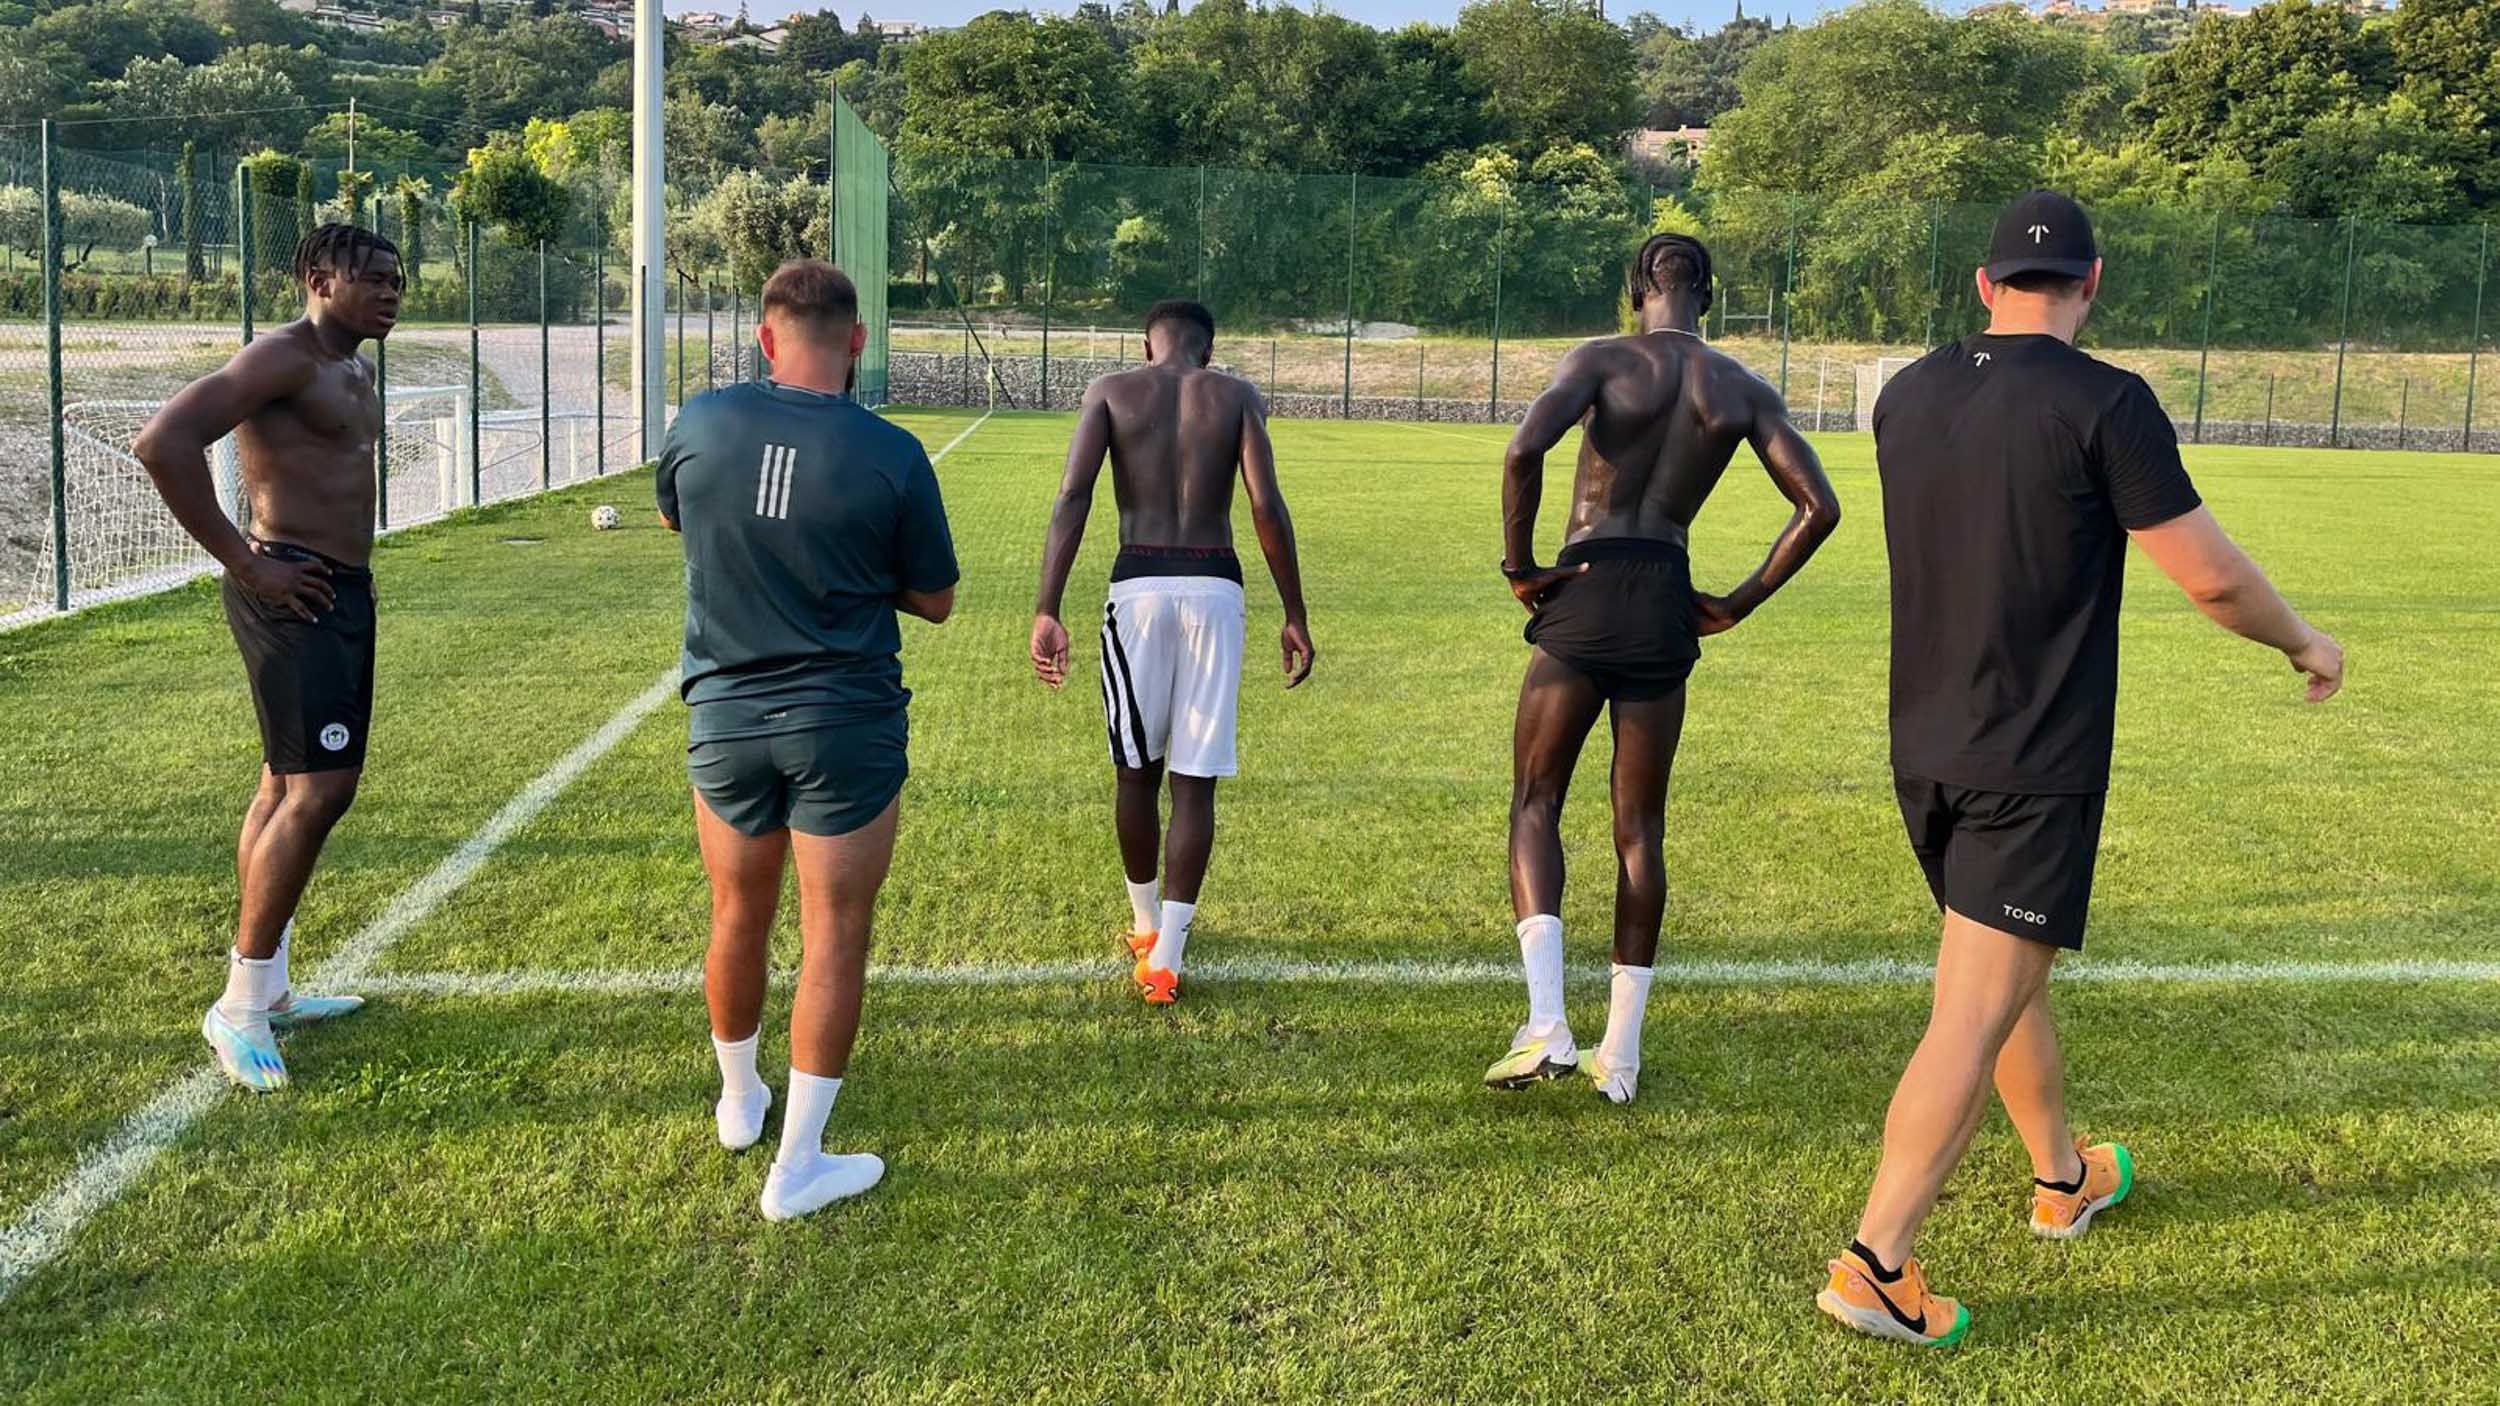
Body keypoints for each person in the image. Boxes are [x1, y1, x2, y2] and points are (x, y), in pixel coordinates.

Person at [1817, 192, 2346, 1347]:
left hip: (1928, 746)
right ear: (2094, 281)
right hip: (2033, 756)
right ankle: (1877, 1261)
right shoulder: (2107, 400)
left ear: (1982, 282)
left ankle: (2064, 1177)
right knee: (1972, 1003)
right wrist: (2307, 641)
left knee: (2006, 974)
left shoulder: (1905, 394)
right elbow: (2208, 578)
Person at [1489, 233, 1839, 1105]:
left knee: (1537, 800)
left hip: (1588, 582)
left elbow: (1524, 449)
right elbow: (1818, 507)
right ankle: (1623, 1056)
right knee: (1639, 831)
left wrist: (1520, 564)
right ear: (1709, 296)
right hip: (1665, 600)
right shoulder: (1740, 387)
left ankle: (1546, 1025)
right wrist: (1741, 599)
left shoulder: (1603, 359)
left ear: (1633, 286)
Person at [656, 259, 959, 1221]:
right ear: (858, 341)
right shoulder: (895, 453)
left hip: (726, 717)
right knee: (835, 933)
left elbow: (683, 519)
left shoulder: (700, 420)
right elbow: (937, 600)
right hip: (845, 722)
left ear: (764, 335)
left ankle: (740, 1101)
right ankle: (800, 1167)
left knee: (736, 914)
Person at [135, 225, 401, 1092]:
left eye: (398, 280)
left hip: (337, 591)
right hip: (292, 591)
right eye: (373, 280)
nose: (392, 293)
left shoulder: (352, 365)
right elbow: (163, 442)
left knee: (284, 785)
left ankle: (270, 985)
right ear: (320, 281)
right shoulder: (281, 358)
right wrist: (246, 563)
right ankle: (240, 1008)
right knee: (321, 789)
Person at [1028, 300, 1315, 1006]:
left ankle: (1146, 925)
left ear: (1146, 347)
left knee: (1136, 772)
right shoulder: (1237, 394)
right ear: (1207, 352)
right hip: (1217, 586)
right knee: (1195, 781)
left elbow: (1073, 497)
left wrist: (1047, 607)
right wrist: (1295, 613)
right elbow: (1266, 506)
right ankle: (1168, 959)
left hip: (1140, 587)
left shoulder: (1110, 391)